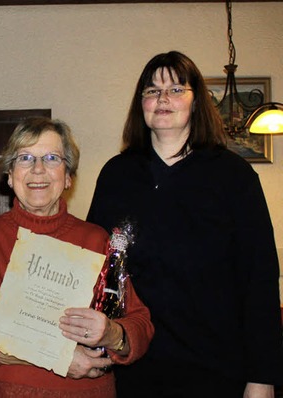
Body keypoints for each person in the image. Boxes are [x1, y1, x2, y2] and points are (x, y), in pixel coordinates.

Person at [86, 50, 283, 397]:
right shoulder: (116, 174)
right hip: (133, 366)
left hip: (217, 368)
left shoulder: (234, 177)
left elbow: (260, 281)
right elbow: (94, 267)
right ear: (140, 104)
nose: (162, 98)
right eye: (151, 90)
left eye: (176, 89)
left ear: (196, 103)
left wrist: (262, 376)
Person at [0, 116, 154, 397]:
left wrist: (111, 333)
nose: (38, 169)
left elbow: (140, 323)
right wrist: (56, 356)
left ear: (69, 176)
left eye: (51, 158)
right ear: (10, 175)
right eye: (25, 158)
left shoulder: (96, 240)